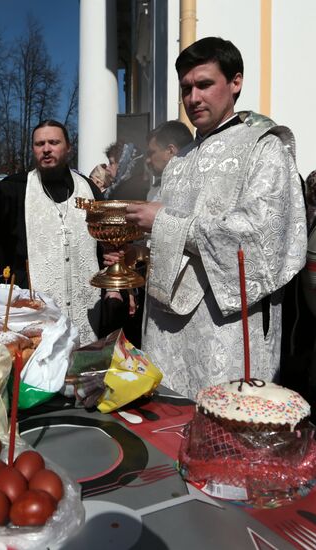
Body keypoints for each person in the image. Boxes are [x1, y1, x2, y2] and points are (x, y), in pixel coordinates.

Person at [122, 37, 307, 399]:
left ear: (235, 82)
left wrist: (166, 223)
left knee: (224, 435)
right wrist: (138, 253)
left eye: (204, 84)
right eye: (186, 88)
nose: (193, 98)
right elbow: (166, 237)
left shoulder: (264, 147)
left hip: (226, 329)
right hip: (165, 328)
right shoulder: (179, 161)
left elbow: (260, 237)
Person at [0, 119, 103, 345]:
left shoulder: (90, 189)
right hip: (36, 319)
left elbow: (105, 244)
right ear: (33, 150)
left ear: (68, 147)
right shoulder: (16, 188)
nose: (46, 149)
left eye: (53, 142)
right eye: (40, 144)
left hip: (88, 312)